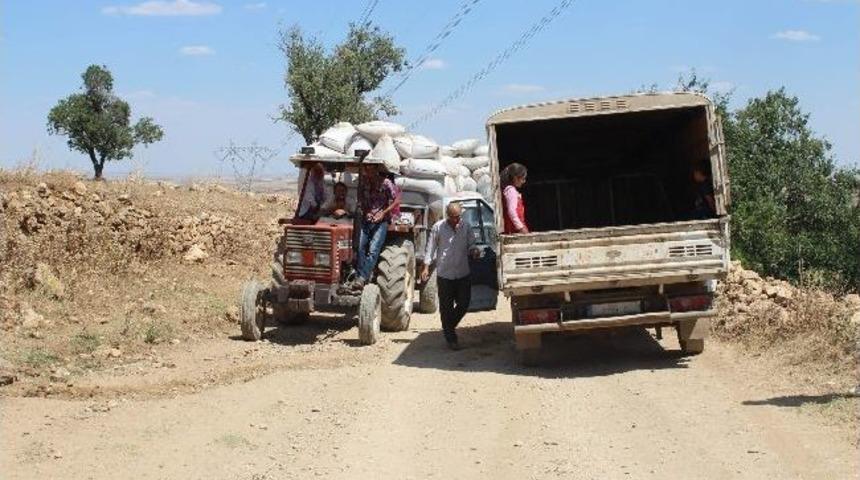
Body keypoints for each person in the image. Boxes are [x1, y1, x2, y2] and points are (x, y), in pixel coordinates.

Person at [421, 202, 480, 350]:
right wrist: (426, 267)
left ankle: (448, 326)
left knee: (464, 304)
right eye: (453, 217)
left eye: (458, 217)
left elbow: (472, 244)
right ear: (447, 215)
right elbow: (430, 248)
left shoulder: (466, 227)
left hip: (462, 272)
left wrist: (474, 250)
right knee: (446, 308)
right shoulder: (438, 227)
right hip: (445, 274)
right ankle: (451, 338)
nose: (456, 220)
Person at [350, 163, 399, 290]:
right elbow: (361, 201)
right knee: (359, 246)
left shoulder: (386, 183)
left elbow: (396, 200)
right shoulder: (364, 183)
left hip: (381, 221)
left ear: (377, 170)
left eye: (371, 169)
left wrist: (383, 213)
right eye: (367, 169)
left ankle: (362, 277)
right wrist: (366, 211)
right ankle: (360, 275)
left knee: (373, 249)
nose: (369, 172)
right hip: (367, 219)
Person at [501, 162, 529, 234]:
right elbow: (511, 211)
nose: (524, 181)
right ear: (516, 178)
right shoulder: (511, 191)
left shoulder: (510, 190)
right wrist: (520, 227)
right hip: (514, 231)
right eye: (523, 179)